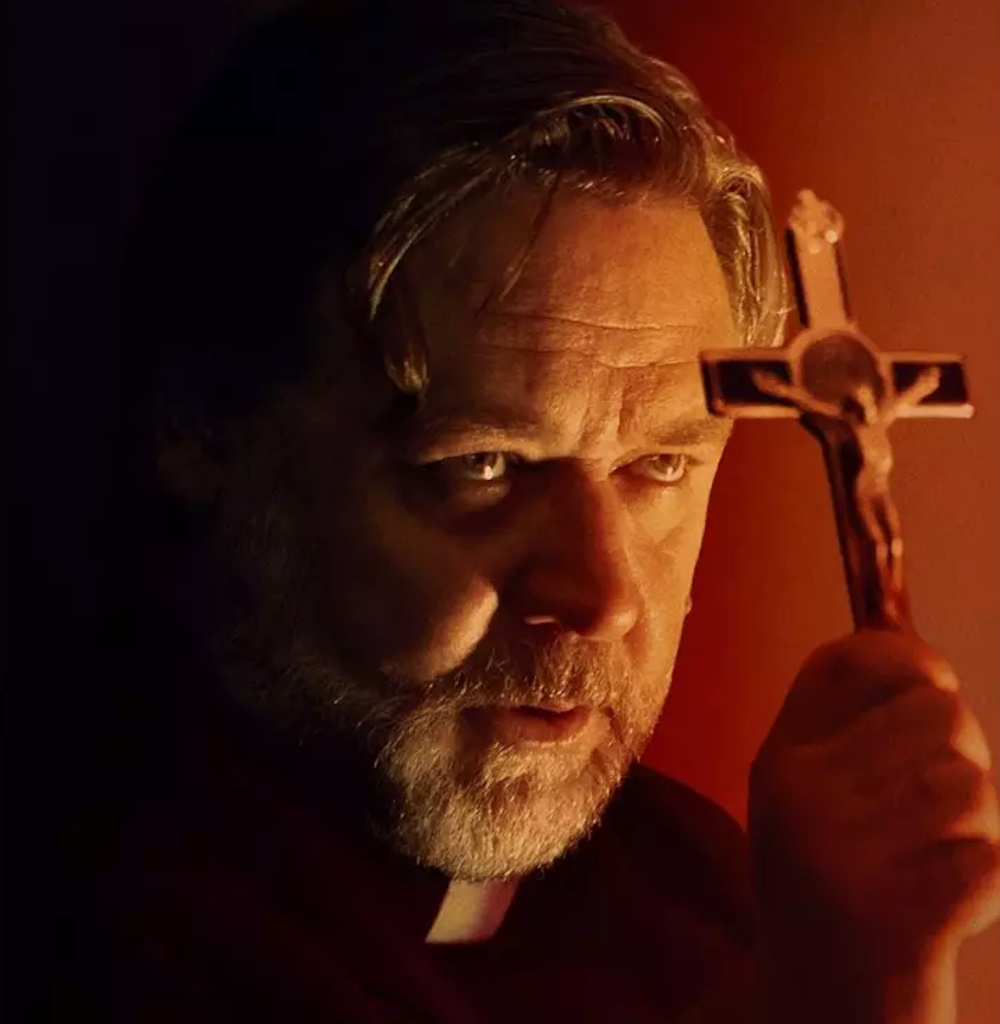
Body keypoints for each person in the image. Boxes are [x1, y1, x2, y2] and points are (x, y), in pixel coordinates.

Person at [39, 1, 998, 1021]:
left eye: (658, 466)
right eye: (484, 463)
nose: (602, 594)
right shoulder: (95, 921)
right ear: (203, 428)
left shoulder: (705, 891)